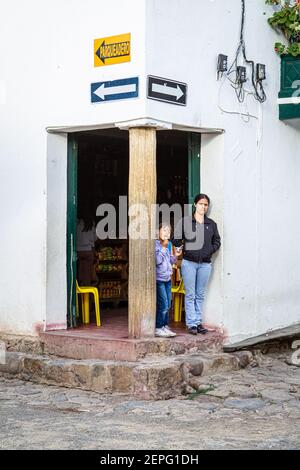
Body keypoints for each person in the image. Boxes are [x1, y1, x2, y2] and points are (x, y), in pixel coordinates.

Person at [173, 194, 221, 335]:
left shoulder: (211, 224)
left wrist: (209, 251)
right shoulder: (186, 222)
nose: (203, 207)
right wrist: (181, 245)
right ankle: (191, 323)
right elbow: (176, 238)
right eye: (201, 204)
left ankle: (198, 322)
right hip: (189, 263)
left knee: (200, 295)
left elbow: (217, 241)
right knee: (190, 294)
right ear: (195, 204)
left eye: (206, 205)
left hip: (205, 264)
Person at [155, 223, 181, 338]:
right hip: (159, 279)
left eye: (168, 231)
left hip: (167, 278)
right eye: (164, 230)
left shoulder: (169, 244)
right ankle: (159, 327)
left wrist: (176, 255)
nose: (166, 233)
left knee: (169, 303)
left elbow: (170, 261)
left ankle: (165, 326)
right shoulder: (156, 245)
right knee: (163, 304)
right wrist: (163, 248)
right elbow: (157, 261)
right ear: (158, 232)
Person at [77, 214, 97, 286]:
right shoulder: (91, 223)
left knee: (79, 269)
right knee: (87, 272)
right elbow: (94, 239)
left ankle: (79, 284)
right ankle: (86, 289)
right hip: (88, 250)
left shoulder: (77, 222)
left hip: (78, 251)